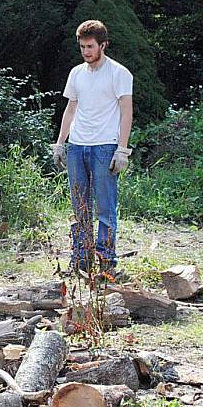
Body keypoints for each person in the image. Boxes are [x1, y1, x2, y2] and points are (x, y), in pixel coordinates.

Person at [51, 20, 133, 277]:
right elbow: (71, 108)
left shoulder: (119, 73)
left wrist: (122, 149)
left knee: (105, 206)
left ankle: (106, 260)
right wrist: (60, 143)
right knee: (79, 205)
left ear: (103, 45)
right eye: (82, 46)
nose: (86, 51)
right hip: (77, 145)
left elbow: (126, 112)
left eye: (90, 46)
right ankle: (82, 259)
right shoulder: (76, 73)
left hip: (105, 146)